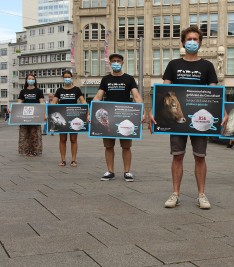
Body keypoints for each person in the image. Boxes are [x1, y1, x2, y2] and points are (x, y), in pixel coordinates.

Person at [148, 25, 218, 209]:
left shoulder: (207, 66)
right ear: (183, 42)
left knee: (200, 157)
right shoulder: (174, 65)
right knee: (177, 156)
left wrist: (223, 111)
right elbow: (163, 91)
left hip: (199, 120)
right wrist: (153, 110)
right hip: (177, 122)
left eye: (196, 39)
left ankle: (201, 194)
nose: (192, 42)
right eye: (189, 39)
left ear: (200, 43)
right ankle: (175, 194)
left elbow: (214, 93)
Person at [92, 53, 144, 182]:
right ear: (110, 63)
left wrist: (142, 111)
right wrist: (90, 111)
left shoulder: (129, 79)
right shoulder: (105, 79)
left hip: (125, 116)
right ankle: (110, 171)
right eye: (113, 61)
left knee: (126, 146)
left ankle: (127, 172)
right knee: (108, 146)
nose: (116, 63)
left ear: (122, 63)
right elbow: (98, 96)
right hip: (108, 117)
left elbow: (136, 96)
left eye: (118, 61)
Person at [52, 71, 86, 167]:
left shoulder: (76, 89)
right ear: (63, 78)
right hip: (61, 118)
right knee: (62, 139)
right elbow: (53, 103)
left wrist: (87, 112)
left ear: (72, 78)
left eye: (69, 77)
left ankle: (73, 160)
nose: (67, 78)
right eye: (65, 77)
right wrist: (48, 114)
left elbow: (83, 102)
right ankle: (63, 160)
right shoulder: (59, 91)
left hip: (74, 118)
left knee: (73, 139)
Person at [17, 74, 45, 156]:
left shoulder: (39, 91)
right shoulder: (23, 91)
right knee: (25, 133)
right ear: (26, 80)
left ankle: (35, 150)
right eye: (29, 78)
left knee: (34, 133)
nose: (31, 80)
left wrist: (44, 114)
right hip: (24, 116)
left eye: (32, 79)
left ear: (35, 81)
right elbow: (19, 103)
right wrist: (15, 112)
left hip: (35, 115)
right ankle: (26, 150)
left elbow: (42, 103)